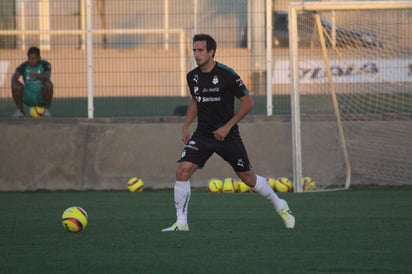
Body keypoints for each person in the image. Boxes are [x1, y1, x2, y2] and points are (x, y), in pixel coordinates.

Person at [161, 34, 295, 232]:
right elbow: (195, 100)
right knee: (182, 171)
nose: (196, 54)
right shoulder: (193, 76)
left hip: (227, 136)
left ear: (211, 52)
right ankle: (181, 223)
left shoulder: (227, 74)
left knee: (248, 179)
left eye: (200, 50)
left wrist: (227, 126)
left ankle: (280, 204)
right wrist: (186, 125)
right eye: (194, 50)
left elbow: (248, 102)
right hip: (203, 135)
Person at [11, 46, 53, 117]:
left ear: (39, 58)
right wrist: (14, 80)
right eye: (30, 58)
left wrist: (37, 76)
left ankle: (46, 111)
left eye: (34, 58)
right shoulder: (24, 66)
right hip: (27, 95)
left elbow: (47, 77)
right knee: (15, 84)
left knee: (49, 84)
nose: (31, 61)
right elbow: (14, 78)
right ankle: (20, 111)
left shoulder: (45, 64)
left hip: (41, 96)